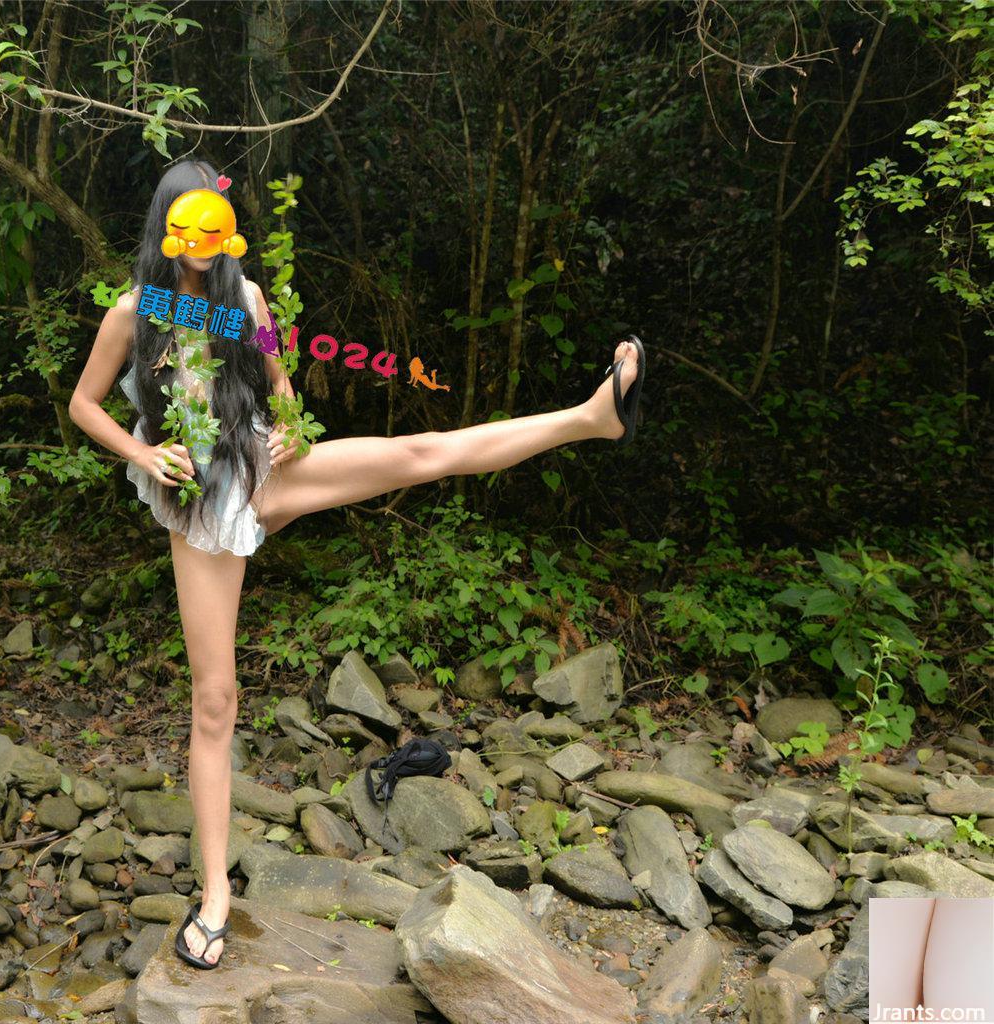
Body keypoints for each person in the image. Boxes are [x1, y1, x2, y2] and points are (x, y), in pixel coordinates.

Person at [68, 158, 645, 969]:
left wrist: (293, 422)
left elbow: (278, 378)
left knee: (420, 452)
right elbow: (82, 404)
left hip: (263, 470)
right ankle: (214, 895)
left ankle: (592, 417)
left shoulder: (247, 302)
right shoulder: (136, 311)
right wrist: (142, 450)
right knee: (214, 699)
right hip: (199, 505)